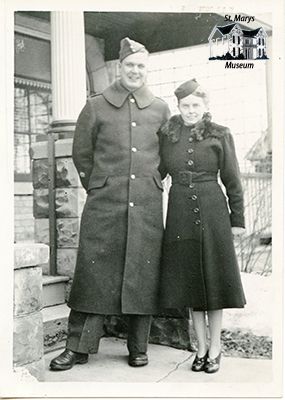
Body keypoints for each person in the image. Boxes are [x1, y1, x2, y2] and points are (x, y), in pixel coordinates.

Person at [50, 37, 170, 371]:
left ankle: (138, 346)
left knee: (142, 272)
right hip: (105, 202)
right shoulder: (96, 105)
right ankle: (78, 347)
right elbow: (81, 154)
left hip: (145, 203)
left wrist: (149, 182)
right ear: (120, 67)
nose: (135, 71)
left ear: (147, 70)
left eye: (141, 66)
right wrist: (100, 186)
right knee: (93, 272)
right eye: (130, 65)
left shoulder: (160, 108)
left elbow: (164, 157)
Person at [159, 78, 246, 374]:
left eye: (196, 105)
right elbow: (156, 172)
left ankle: (216, 348)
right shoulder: (168, 135)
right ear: (179, 106)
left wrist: (238, 221)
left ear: (206, 106)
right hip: (180, 212)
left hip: (213, 212)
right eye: (185, 105)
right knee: (191, 283)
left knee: (214, 282)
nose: (191, 110)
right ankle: (201, 347)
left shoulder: (220, 135)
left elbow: (233, 180)